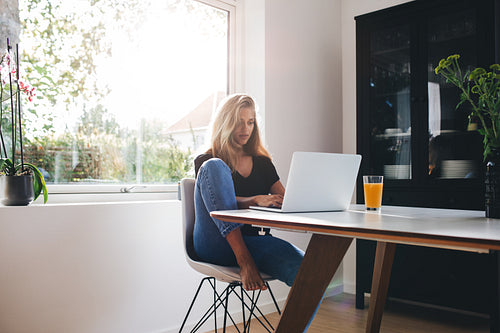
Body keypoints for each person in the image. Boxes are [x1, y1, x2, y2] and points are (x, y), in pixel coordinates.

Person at [193, 93, 304, 292]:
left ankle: (292, 325)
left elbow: (285, 200)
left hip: (254, 240)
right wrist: (255, 201)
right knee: (215, 166)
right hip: (214, 242)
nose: (246, 129)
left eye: (250, 122)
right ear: (225, 123)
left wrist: (306, 200)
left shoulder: (262, 162)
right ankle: (244, 261)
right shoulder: (207, 161)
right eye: (238, 122)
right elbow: (217, 201)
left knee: (311, 270)